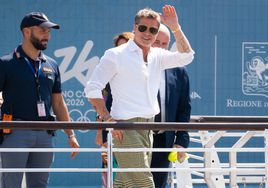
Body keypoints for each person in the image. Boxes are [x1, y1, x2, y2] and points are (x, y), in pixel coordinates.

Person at [85, 5, 194, 187]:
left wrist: (175, 28)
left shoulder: (158, 55)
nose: (147, 33)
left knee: (126, 182)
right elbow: (92, 89)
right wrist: (107, 119)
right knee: (143, 181)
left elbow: (187, 56)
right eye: (143, 28)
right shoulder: (115, 55)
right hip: (124, 127)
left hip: (147, 126)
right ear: (134, 27)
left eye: (153, 30)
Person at [0, 12, 80, 188]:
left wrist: (70, 134)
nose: (47, 35)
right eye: (43, 30)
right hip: (15, 132)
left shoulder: (51, 64)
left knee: (39, 185)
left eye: (49, 31)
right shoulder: (5, 63)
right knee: (10, 184)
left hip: (45, 134)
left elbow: (58, 103)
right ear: (27, 32)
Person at [150, 24, 191, 188]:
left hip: (163, 139)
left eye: (164, 43)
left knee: (158, 184)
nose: (159, 47)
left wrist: (181, 140)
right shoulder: (133, 64)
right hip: (136, 137)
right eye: (156, 42)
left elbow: (184, 108)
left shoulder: (179, 70)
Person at [95, 31, 134, 188]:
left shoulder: (143, 72)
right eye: (119, 48)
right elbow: (102, 105)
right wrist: (101, 134)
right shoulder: (109, 74)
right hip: (111, 132)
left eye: (125, 47)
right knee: (111, 175)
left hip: (136, 131)